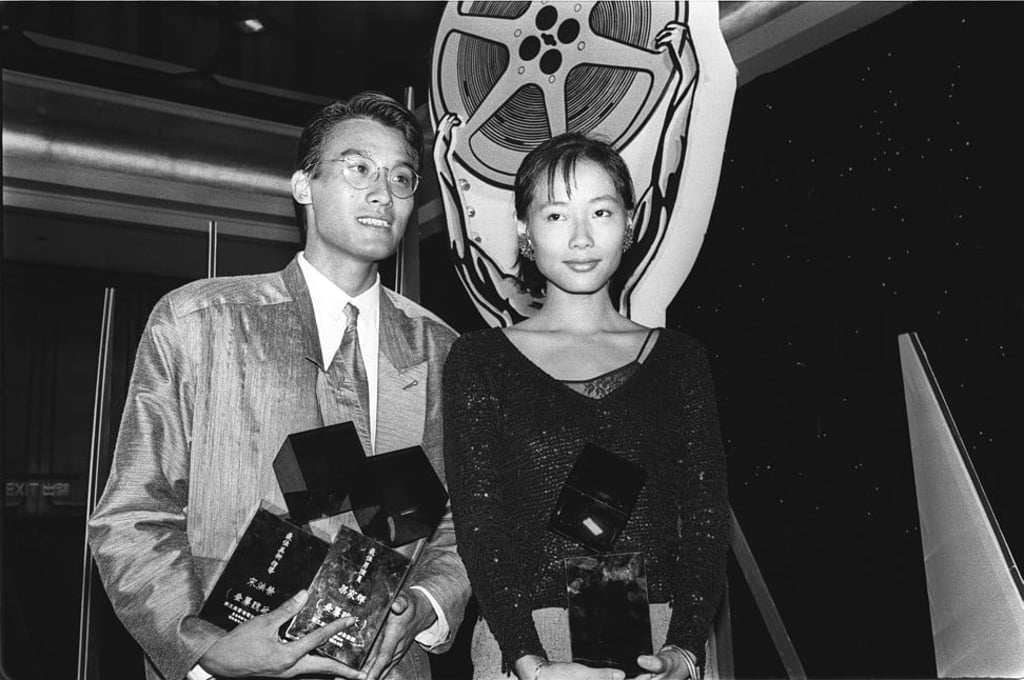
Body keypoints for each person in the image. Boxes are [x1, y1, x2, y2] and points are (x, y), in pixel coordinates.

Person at [88, 92, 471, 680]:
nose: (383, 192)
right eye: (358, 167)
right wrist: (205, 649)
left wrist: (425, 606)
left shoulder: (441, 350)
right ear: (302, 186)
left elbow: (458, 521)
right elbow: (135, 514)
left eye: (401, 177)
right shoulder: (198, 322)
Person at [442, 133, 729, 680]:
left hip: (662, 643)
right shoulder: (480, 361)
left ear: (630, 220)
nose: (580, 237)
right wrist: (528, 661)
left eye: (600, 211)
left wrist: (686, 650)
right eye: (555, 216)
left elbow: (706, 518)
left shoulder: (679, 361)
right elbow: (480, 525)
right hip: (527, 645)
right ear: (524, 230)